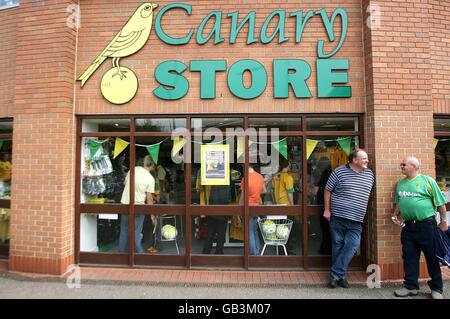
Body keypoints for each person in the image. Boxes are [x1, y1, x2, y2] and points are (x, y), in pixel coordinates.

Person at [392, 156, 448, 299]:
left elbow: (440, 203)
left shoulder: (428, 181)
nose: (401, 166)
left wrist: (443, 221)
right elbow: (400, 202)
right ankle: (410, 286)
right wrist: (395, 215)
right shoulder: (401, 184)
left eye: (404, 164)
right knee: (409, 257)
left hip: (427, 226)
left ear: (414, 166)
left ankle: (437, 289)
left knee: (432, 257)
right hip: (408, 227)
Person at [324, 149, 374, 288]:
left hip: (357, 219)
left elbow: (368, 194)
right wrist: (327, 210)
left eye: (367, 158)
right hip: (338, 216)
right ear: (354, 160)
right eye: (364, 158)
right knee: (337, 245)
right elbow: (327, 190)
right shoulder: (339, 172)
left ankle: (335, 274)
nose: (367, 161)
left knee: (352, 245)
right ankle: (341, 277)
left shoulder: (370, 174)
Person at [119, 155, 157, 253]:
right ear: (151, 165)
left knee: (124, 231)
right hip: (138, 207)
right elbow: (149, 198)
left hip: (125, 204)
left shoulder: (132, 170)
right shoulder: (150, 178)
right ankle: (140, 255)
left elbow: (125, 184)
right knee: (136, 233)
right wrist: (152, 214)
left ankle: (121, 254)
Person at [239, 164, 266, 255]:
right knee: (254, 230)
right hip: (257, 206)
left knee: (248, 231)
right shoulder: (260, 176)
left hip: (247, 207)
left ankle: (254, 255)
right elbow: (264, 191)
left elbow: (243, 196)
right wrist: (256, 193)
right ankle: (257, 252)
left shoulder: (245, 179)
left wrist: (239, 208)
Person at [202, 185, 231, 255]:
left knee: (210, 231)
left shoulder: (211, 181)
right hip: (224, 208)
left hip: (212, 207)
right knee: (221, 232)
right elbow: (232, 195)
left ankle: (207, 250)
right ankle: (219, 251)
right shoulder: (227, 182)